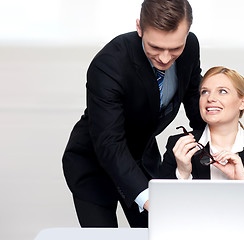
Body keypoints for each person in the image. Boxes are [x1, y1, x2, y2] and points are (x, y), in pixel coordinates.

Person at [62, 0, 205, 228]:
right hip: (94, 162)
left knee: (163, 229)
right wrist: (149, 199)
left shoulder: (190, 46)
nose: (166, 58)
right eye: (156, 48)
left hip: (142, 156)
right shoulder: (109, 64)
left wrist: (212, 142)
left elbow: (192, 95)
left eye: (175, 49)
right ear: (139, 27)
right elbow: (109, 142)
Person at [160, 66, 244, 230]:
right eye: (204, 92)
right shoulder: (179, 145)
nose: (210, 98)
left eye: (222, 91)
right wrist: (182, 173)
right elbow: (159, 216)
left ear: (242, 102)